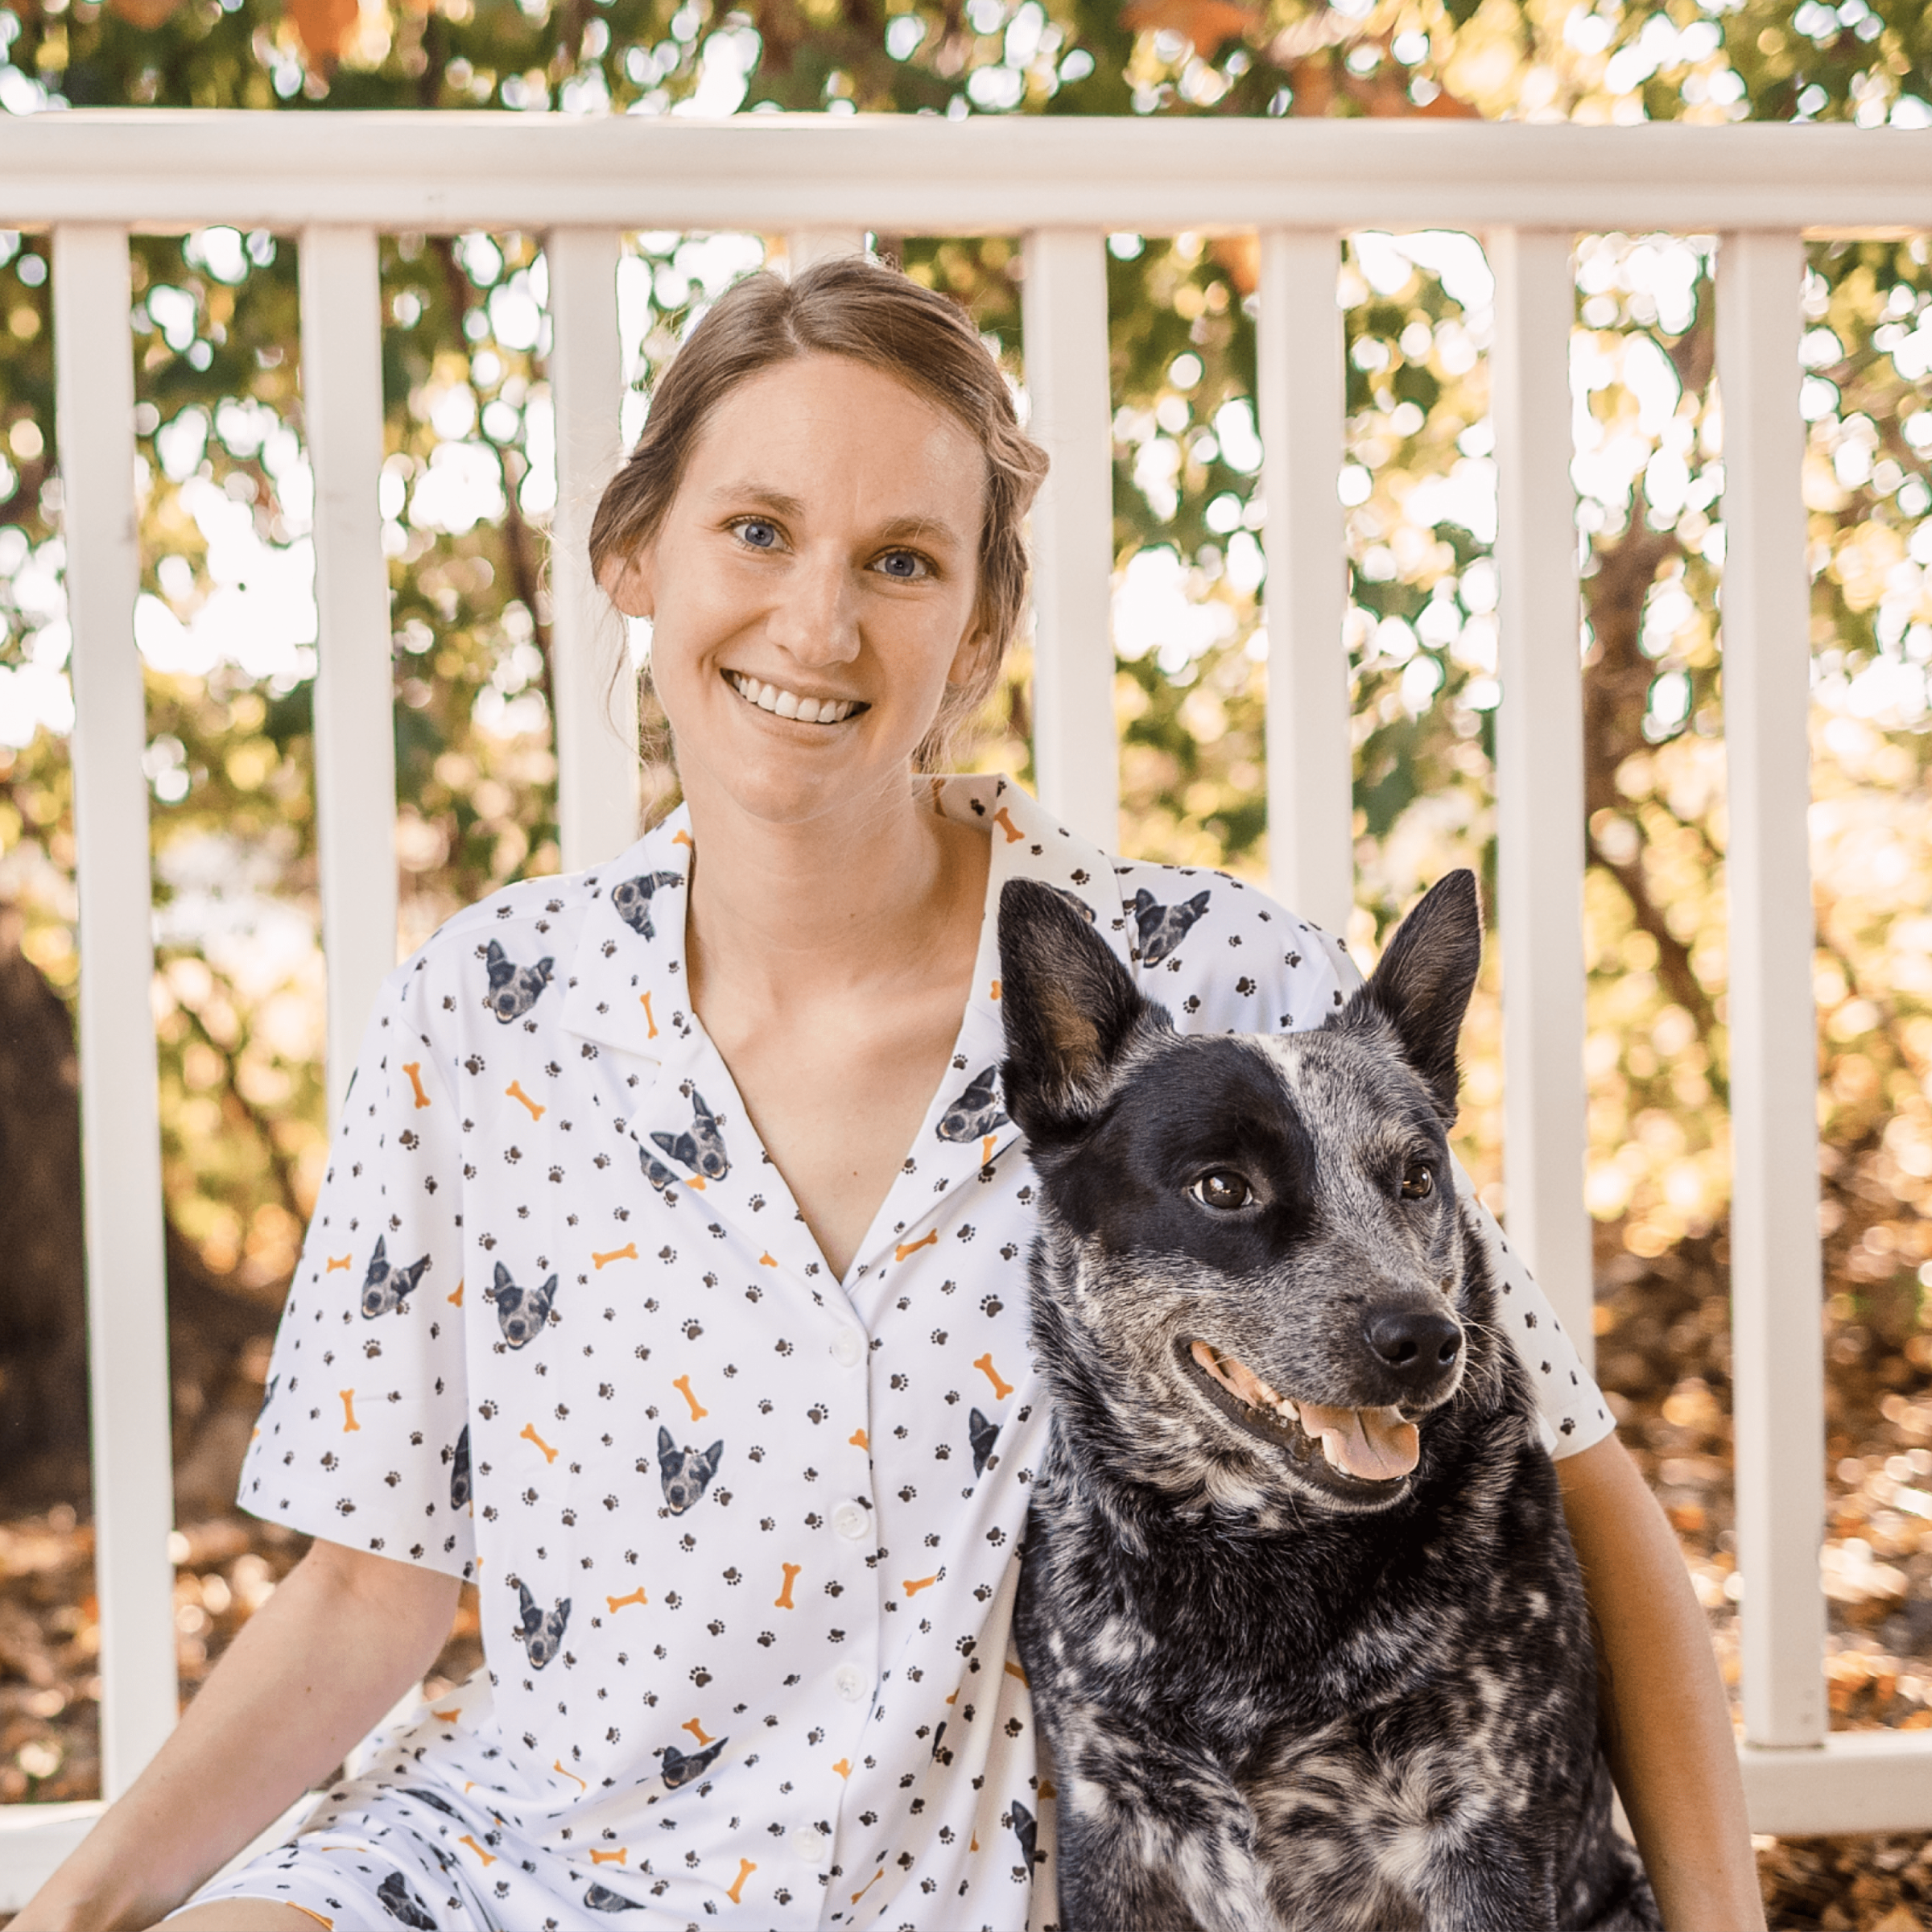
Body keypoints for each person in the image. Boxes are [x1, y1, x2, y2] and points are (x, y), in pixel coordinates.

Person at [18, 254, 1765, 1932]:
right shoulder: (481, 1014)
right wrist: (74, 1910)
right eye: (757, 531)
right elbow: (367, 1591)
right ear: (637, 556)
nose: (818, 622)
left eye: (905, 561)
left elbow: (1572, 1482)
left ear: (985, 621)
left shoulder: (1217, 1004)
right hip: (521, 1867)